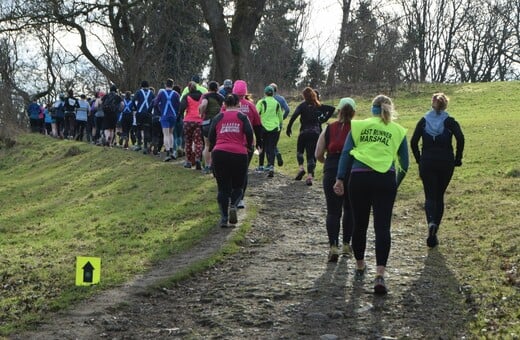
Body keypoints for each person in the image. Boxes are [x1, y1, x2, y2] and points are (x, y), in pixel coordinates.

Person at [333, 94, 409, 295]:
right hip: (385, 179)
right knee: (382, 227)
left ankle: (359, 265)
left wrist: (340, 178)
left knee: (360, 224)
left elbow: (346, 154)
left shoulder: (358, 126)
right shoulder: (398, 130)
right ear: (389, 109)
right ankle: (380, 274)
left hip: (359, 178)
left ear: (371, 109)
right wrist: (395, 183)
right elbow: (405, 165)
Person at [410, 92, 465, 248]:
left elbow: (413, 142)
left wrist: (419, 158)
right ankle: (435, 232)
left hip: (427, 161)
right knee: (439, 196)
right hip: (445, 161)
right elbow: (460, 138)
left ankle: (430, 223)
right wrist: (458, 158)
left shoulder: (423, 121)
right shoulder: (450, 121)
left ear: (432, 103)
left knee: (429, 196)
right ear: (445, 105)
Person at [315, 98, 356, 262]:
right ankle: (347, 244)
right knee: (350, 208)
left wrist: (327, 162)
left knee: (333, 211)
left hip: (332, 169)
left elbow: (318, 153)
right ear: (354, 112)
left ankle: (333, 246)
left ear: (338, 111)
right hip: (352, 170)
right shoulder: (357, 129)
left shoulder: (329, 128)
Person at [208, 94, 254, 227]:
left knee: (222, 188)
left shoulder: (218, 117)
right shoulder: (242, 117)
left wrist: (212, 147)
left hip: (220, 153)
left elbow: (211, 135)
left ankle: (223, 217)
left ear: (225, 105)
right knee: (238, 186)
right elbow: (249, 132)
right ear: (238, 104)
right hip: (239, 154)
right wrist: (249, 146)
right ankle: (233, 205)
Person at [224, 79, 262, 209]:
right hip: (247, 144)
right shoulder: (251, 106)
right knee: (243, 171)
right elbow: (257, 125)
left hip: (228, 142)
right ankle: (240, 198)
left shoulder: (226, 106)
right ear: (245, 92)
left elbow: (219, 122)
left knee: (229, 171)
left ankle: (230, 196)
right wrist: (259, 143)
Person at [286, 87, 335, 185]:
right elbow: (332, 109)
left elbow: (294, 116)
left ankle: (301, 168)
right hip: (315, 133)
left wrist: (289, 127)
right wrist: (324, 119)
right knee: (311, 156)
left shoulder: (302, 106)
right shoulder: (318, 105)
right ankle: (309, 176)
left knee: (300, 151)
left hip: (304, 132)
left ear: (304, 96)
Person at [256, 85, 283, 177]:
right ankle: (271, 166)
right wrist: (280, 125)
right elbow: (280, 116)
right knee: (271, 147)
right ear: (273, 93)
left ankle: (260, 166)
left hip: (263, 127)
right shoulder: (277, 103)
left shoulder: (261, 102)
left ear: (265, 93)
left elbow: (256, 113)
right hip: (275, 128)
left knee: (261, 146)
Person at [199, 80, 224, 173]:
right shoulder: (221, 97)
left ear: (209, 88)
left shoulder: (206, 96)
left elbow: (203, 105)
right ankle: (215, 165)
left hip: (207, 123)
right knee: (217, 145)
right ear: (217, 88)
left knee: (207, 145)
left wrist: (201, 113)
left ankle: (207, 166)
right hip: (218, 123)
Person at [154, 78, 180, 161]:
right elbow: (178, 105)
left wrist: (160, 111)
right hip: (173, 116)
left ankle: (168, 152)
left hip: (164, 116)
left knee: (166, 134)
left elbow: (155, 104)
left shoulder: (161, 93)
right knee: (171, 133)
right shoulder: (176, 94)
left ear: (166, 85)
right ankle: (172, 151)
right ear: (172, 85)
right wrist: (176, 113)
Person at [179, 81, 203, 169]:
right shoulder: (202, 97)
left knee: (188, 141)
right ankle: (197, 159)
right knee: (198, 142)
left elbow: (182, 108)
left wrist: (180, 115)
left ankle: (188, 161)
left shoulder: (186, 96)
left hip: (188, 121)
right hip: (199, 121)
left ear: (188, 88)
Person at [133, 80, 155, 153]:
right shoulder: (151, 93)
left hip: (140, 113)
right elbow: (154, 102)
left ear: (141, 86)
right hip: (148, 114)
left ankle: (139, 144)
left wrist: (137, 108)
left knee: (139, 129)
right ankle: (145, 146)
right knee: (146, 129)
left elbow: (134, 101)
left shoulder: (138, 92)